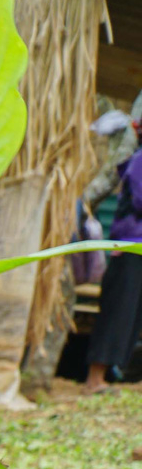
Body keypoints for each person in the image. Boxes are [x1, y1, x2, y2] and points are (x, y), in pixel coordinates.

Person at [85, 106, 142, 393]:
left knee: (132, 315)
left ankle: (113, 375)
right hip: (131, 248)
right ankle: (94, 379)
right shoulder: (139, 162)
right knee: (119, 312)